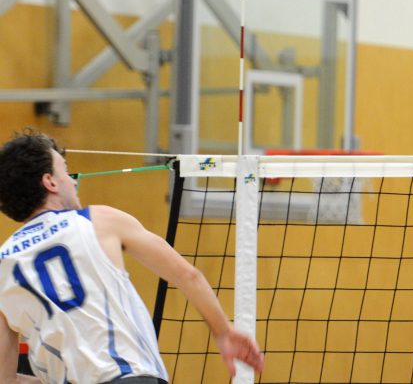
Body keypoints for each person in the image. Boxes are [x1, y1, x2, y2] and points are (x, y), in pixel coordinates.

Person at [0, 131, 264, 383]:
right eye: (66, 171)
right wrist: (223, 332)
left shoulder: (4, 263)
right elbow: (188, 275)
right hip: (129, 377)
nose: (74, 180)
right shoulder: (97, 220)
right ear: (51, 182)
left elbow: (5, 378)